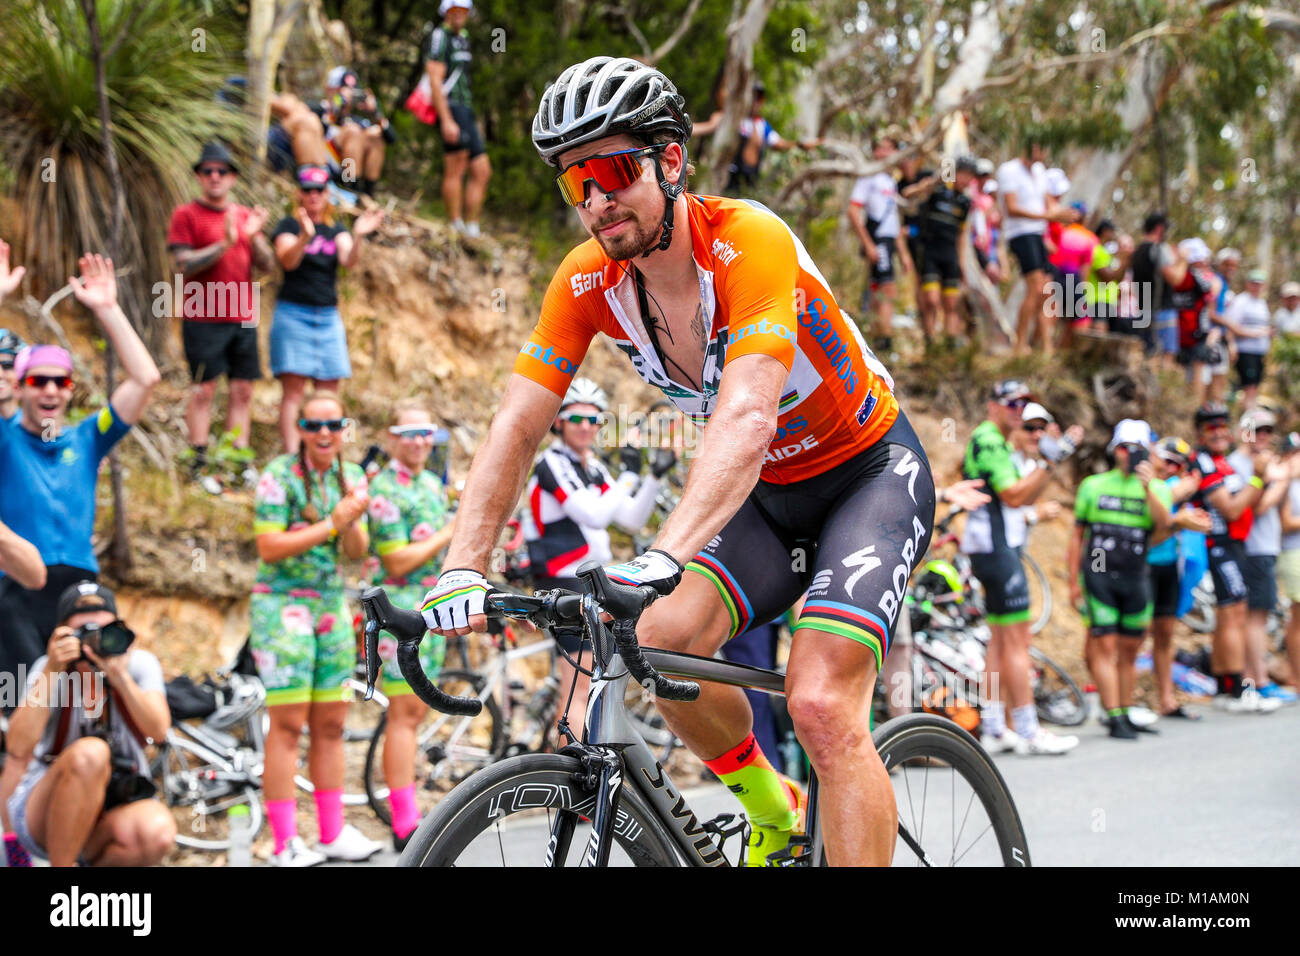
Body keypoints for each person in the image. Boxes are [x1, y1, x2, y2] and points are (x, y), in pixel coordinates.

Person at [420, 56, 934, 867]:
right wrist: (461, 566)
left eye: (613, 170)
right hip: (764, 499)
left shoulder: (748, 240)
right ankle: (774, 804)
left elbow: (748, 412)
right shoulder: (587, 281)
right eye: (574, 183)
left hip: (866, 477)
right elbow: (517, 427)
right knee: (652, 638)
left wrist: (663, 551)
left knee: (822, 706)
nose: (595, 200)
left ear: (669, 159)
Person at [0, 255, 160, 703]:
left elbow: (145, 378)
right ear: (19, 386)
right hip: (16, 589)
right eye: (37, 380)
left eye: (60, 381)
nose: (49, 389)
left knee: (85, 705)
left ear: (70, 389)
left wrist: (108, 308)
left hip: (79, 590)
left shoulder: (87, 439)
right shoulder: (5, 438)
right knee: (23, 705)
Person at [251, 392, 382, 865]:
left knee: (332, 723)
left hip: (330, 607)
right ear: (301, 427)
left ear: (344, 429)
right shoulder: (278, 476)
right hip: (281, 608)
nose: (325, 433)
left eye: (334, 424)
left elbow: (354, 551)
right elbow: (269, 547)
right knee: (286, 727)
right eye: (314, 424)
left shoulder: (346, 478)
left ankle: (331, 833)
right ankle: (284, 842)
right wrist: (332, 522)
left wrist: (352, 518)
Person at [522, 377, 669, 730]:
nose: (586, 427)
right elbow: (595, 514)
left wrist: (653, 478)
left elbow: (631, 520)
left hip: (591, 584)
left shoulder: (592, 466)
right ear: (558, 422)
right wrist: (630, 475)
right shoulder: (553, 463)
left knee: (592, 688)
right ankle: (568, 776)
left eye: (595, 419)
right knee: (580, 689)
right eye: (576, 418)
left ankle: (572, 766)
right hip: (564, 583)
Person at [4, 582, 174, 866]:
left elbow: (158, 731)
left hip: (114, 805)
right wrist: (52, 670)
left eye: (104, 631)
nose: (94, 643)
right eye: (84, 633)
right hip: (44, 810)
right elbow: (18, 747)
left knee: (154, 833)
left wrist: (120, 677)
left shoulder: (138, 665)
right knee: (91, 753)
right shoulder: (50, 668)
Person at [961, 381, 1080, 755]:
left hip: (993, 548)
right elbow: (1015, 497)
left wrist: (1048, 460)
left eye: (1024, 404)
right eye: (1011, 404)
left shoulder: (999, 441)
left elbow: (1020, 495)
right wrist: (1050, 460)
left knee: (999, 642)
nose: (1018, 410)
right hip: (996, 550)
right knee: (1016, 641)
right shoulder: (990, 438)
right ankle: (1029, 730)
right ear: (993, 405)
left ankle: (996, 727)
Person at [365, 402, 455, 849]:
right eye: (411, 433)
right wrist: (450, 532)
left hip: (430, 606)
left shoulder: (430, 485)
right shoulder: (383, 488)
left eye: (428, 434)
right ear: (392, 436)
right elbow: (396, 558)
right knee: (402, 715)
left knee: (415, 713)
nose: (421, 442)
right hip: (398, 610)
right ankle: (404, 822)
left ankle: (412, 808)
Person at [167, 142, 273, 479]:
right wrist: (224, 244)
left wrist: (252, 237)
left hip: (241, 316)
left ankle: (236, 459)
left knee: (243, 389)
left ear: (232, 178)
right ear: (199, 176)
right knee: (204, 389)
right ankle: (198, 459)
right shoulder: (186, 215)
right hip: (202, 316)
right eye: (207, 171)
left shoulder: (244, 216)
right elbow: (182, 264)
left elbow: (267, 265)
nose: (214, 176)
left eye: (222, 171)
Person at [1069, 420, 1173, 740]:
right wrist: (1073, 581)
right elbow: (1077, 535)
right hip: (1099, 572)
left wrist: (1147, 488)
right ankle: (1113, 714)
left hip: (1136, 575)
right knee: (1104, 645)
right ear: (1115, 450)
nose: (1130, 455)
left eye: (1137, 449)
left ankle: (1125, 710)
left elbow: (1164, 525)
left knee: (1129, 649)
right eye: (1124, 448)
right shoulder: (1094, 485)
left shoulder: (1157, 488)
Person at [271, 164, 384, 452]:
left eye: (319, 190)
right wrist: (304, 238)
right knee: (294, 392)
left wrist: (359, 235)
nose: (313, 196)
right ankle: (293, 456)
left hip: (327, 316)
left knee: (329, 392)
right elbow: (287, 261)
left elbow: (349, 260)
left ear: (327, 194)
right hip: (293, 313)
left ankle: (327, 455)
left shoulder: (337, 230)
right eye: (307, 190)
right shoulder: (288, 226)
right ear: (299, 193)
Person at [1187, 402, 1280, 713]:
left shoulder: (1221, 462)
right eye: (1210, 427)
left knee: (1233, 614)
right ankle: (1239, 688)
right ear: (1200, 432)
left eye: (1222, 425)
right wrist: (1257, 479)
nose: (1218, 432)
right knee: (1233, 614)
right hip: (1219, 544)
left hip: (1235, 544)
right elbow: (1231, 508)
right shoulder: (1205, 463)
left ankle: (1226, 686)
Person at [1226, 408, 1293, 700]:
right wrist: (1281, 481)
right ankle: (1259, 680)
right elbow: (1258, 505)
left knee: (1258, 615)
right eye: (1257, 430)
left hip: (1265, 547)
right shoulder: (1238, 464)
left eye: (1267, 431)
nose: (1263, 437)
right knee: (1255, 616)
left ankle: (1255, 677)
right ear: (1244, 432)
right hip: (1253, 548)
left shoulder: (1261, 462)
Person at [1147, 437, 1213, 718]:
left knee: (1165, 633)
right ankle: (1119, 704)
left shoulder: (1169, 487)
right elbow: (1151, 534)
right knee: (1133, 636)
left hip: (1169, 565)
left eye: (1178, 464)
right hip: (1141, 566)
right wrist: (1179, 520)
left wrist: (1181, 521)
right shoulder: (1152, 487)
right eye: (1167, 460)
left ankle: (1166, 699)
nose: (1171, 467)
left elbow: (1170, 524)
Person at [996, 139, 1077, 357]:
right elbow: (1011, 208)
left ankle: (1047, 348)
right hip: (1021, 233)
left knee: (1048, 292)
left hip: (1039, 235)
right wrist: (1049, 215)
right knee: (1036, 288)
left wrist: (1064, 214)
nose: (1044, 152)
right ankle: (1020, 344)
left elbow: (1049, 203)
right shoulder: (1009, 170)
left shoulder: (1041, 171)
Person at [426, 0, 490, 238]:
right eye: (456, 10)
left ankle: (471, 227)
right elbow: (434, 78)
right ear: (447, 12)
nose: (460, 15)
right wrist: (446, 120)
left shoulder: (462, 37)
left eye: (464, 10)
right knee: (456, 166)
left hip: (466, 108)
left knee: (482, 169)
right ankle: (455, 224)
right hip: (450, 108)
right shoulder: (439, 36)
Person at [693, 82, 821, 195]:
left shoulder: (762, 125)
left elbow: (780, 144)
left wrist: (800, 144)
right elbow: (708, 126)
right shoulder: (733, 119)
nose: (755, 102)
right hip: (726, 179)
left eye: (758, 98)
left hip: (749, 182)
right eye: (752, 97)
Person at [849, 133, 913, 355]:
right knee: (887, 288)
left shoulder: (890, 180)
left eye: (890, 148)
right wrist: (868, 244)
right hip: (877, 240)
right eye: (881, 148)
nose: (885, 153)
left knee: (880, 288)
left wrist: (904, 254)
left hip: (889, 240)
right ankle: (884, 340)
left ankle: (877, 337)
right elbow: (853, 210)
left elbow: (893, 221)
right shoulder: (868, 176)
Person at [913, 156, 975, 342]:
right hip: (930, 250)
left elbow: (962, 234)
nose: (967, 180)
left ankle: (949, 344)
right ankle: (930, 339)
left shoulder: (965, 202)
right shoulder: (937, 190)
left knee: (951, 303)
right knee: (931, 300)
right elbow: (910, 194)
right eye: (965, 175)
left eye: (970, 177)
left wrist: (961, 262)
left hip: (950, 254)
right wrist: (933, 182)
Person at [321, 68, 393, 200]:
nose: (348, 96)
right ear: (329, 89)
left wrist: (375, 112)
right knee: (353, 131)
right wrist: (339, 102)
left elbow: (391, 139)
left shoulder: (357, 121)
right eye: (342, 90)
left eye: (353, 92)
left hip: (353, 172)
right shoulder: (320, 110)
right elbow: (323, 126)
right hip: (327, 168)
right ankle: (349, 189)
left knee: (375, 134)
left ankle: (367, 195)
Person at [1130, 212, 1182, 365]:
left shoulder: (1137, 250)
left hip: (1142, 307)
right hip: (1162, 309)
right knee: (1165, 353)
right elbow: (1175, 278)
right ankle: (1158, 387)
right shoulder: (1159, 249)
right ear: (1159, 229)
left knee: (1145, 350)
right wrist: (1182, 260)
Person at [1221, 269, 1272, 408]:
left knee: (1254, 387)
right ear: (1247, 284)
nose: (1257, 286)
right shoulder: (1241, 301)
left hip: (1259, 352)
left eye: (1259, 284)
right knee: (1248, 387)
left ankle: (1252, 416)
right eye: (1254, 283)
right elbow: (1230, 325)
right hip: (1245, 350)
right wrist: (1232, 345)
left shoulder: (1261, 303)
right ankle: (1249, 418)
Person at [1276, 433, 1300, 696]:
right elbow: (1286, 523)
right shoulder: (1285, 484)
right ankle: (1296, 676)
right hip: (1294, 553)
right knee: (1298, 616)